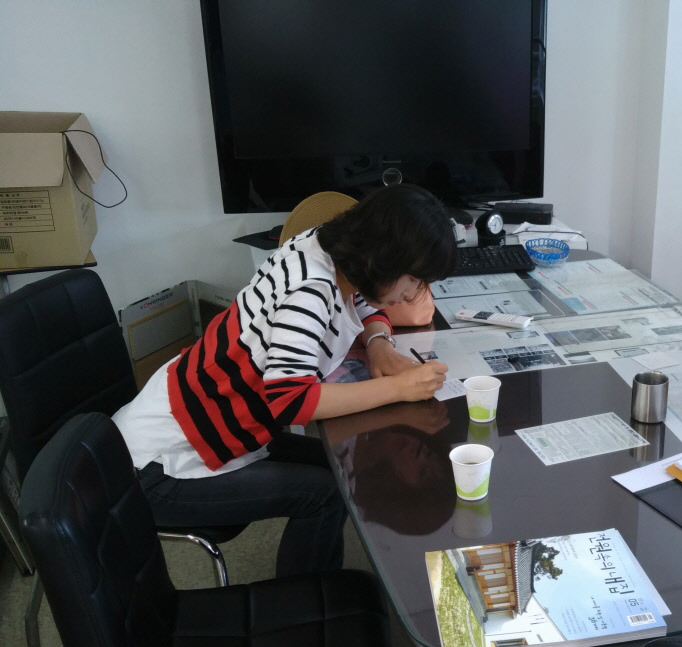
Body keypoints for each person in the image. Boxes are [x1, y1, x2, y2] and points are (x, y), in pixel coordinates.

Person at [113, 183, 455, 575]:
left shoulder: (328, 247)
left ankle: (318, 580)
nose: (413, 294)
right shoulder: (309, 291)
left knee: (338, 470)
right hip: (161, 464)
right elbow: (289, 401)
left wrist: (379, 344)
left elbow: (361, 297)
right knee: (326, 493)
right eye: (414, 279)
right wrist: (396, 388)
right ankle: (305, 597)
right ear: (383, 259)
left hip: (211, 422)